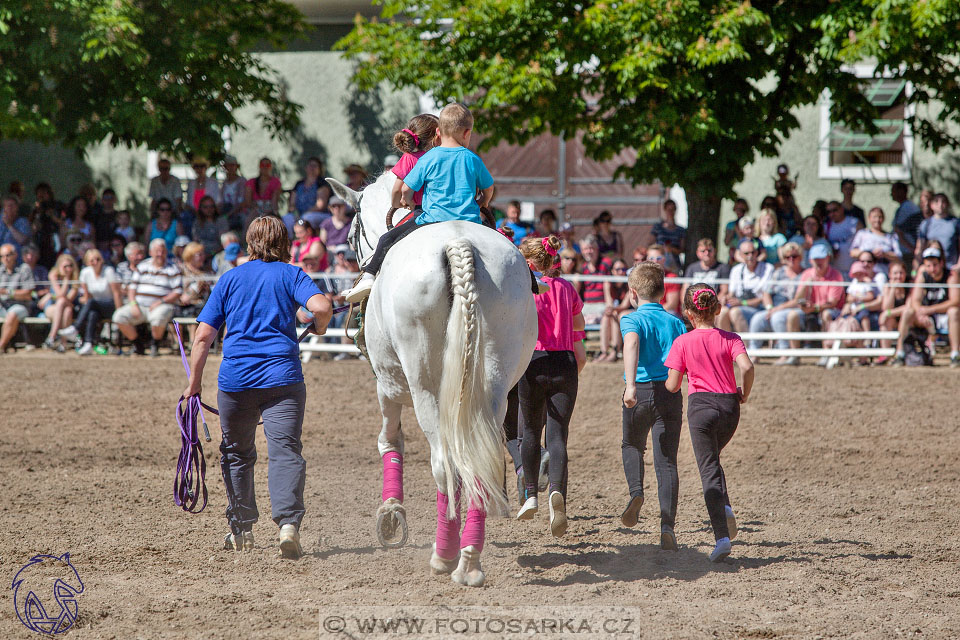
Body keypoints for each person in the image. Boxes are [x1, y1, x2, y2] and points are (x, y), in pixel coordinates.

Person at [183, 216, 333, 558]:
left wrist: (194, 385)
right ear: (285, 243)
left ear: (250, 242)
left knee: (236, 453)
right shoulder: (291, 274)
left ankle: (241, 531)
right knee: (286, 451)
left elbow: (204, 336)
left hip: (236, 382)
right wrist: (320, 327)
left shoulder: (230, 279)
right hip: (283, 379)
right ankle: (288, 526)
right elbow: (322, 307)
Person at [342, 103, 495, 302]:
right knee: (499, 241)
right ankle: (528, 275)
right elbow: (488, 189)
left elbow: (405, 189)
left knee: (386, 240)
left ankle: (369, 277)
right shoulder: (472, 158)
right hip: (469, 220)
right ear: (467, 133)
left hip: (431, 219)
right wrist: (483, 203)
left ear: (439, 132)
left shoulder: (428, 158)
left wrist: (408, 204)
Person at [664, 284, 754, 562]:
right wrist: (744, 394)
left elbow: (672, 384)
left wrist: (670, 379)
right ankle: (725, 507)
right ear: (717, 310)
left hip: (701, 407)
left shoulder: (682, 342)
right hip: (729, 407)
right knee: (713, 460)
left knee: (708, 471)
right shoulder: (731, 337)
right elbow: (747, 367)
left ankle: (721, 538)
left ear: (689, 314)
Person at [515, 236, 584, 539]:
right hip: (565, 363)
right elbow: (580, 326)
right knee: (557, 437)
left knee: (529, 431)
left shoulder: (523, 288)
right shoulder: (567, 288)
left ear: (529, 263)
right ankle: (557, 492)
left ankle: (530, 493)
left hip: (534, 361)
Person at [619, 261, 687, 550]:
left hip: (641, 391)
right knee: (667, 461)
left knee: (632, 445)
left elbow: (632, 344)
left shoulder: (631, 319)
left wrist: (631, 384)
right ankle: (667, 525)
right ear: (662, 293)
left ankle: (636, 491)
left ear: (633, 293)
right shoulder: (676, 322)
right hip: (670, 392)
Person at [112, 238, 182, 357]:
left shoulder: (173, 268)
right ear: (151, 252)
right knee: (118, 316)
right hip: (139, 305)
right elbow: (132, 289)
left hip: (162, 304)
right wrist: (133, 304)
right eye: (157, 251)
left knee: (158, 317)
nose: (160, 254)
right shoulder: (143, 266)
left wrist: (160, 301)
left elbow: (178, 291)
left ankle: (155, 344)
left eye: (162, 251)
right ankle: (138, 345)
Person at [893, 245, 960, 367]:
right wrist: (920, 312)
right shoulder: (923, 275)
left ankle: (955, 354)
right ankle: (900, 353)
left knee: (954, 311)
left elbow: (955, 301)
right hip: (926, 317)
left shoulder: (951, 275)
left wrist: (931, 310)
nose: (932, 269)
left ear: (941, 263)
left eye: (935, 264)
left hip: (944, 316)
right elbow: (915, 300)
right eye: (928, 265)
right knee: (908, 312)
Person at [783, 243, 845, 364]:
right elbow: (798, 299)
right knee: (792, 315)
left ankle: (826, 353)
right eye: (816, 259)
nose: (819, 262)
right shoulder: (807, 274)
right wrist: (806, 286)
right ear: (811, 260)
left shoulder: (836, 276)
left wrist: (814, 308)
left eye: (821, 258)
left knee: (826, 314)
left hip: (830, 311)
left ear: (828, 258)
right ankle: (794, 354)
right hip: (811, 310)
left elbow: (833, 303)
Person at [748, 243, 804, 362]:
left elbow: (798, 300)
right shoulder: (778, 273)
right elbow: (766, 292)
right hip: (775, 308)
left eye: (794, 256)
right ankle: (754, 353)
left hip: (795, 309)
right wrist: (769, 308)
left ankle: (784, 353)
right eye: (787, 257)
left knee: (778, 317)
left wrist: (775, 310)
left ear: (800, 257)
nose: (791, 259)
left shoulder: (804, 275)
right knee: (758, 318)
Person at [58, 249, 121, 355]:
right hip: (96, 306)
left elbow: (116, 293)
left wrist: (119, 311)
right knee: (92, 313)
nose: (95, 262)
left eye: (98, 259)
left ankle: (75, 328)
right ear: (87, 262)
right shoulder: (85, 273)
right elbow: (87, 296)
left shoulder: (108, 271)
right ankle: (88, 344)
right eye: (92, 260)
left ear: (102, 260)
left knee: (92, 303)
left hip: (111, 305)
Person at [385, 114, 440, 224]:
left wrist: (401, 203)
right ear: (436, 137)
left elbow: (397, 190)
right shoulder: (441, 157)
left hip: (421, 212)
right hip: (445, 210)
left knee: (386, 240)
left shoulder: (408, 158)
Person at [719, 238, 772, 332]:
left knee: (735, 312)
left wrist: (742, 303)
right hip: (739, 305)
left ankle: (744, 345)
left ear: (757, 253)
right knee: (722, 312)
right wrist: (726, 299)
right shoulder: (736, 270)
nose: (750, 256)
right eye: (746, 253)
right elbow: (731, 293)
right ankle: (726, 345)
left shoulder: (767, 268)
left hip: (760, 308)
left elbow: (764, 298)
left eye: (753, 252)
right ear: (740, 255)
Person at [0, 244, 35, 353]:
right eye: (2, 256)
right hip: (2, 305)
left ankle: (1, 346)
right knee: (10, 314)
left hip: (22, 305)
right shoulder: (0, 271)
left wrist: (7, 292)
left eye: (8, 255)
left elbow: (28, 293)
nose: (5, 258)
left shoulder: (24, 269)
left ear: (15, 255)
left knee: (12, 314)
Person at [41, 253, 80, 350]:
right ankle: (62, 342)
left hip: (66, 306)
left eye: (70, 266)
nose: (68, 269)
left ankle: (52, 337)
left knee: (66, 309)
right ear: (59, 266)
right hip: (51, 308)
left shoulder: (75, 279)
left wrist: (66, 279)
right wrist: (66, 279)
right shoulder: (53, 274)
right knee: (63, 306)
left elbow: (68, 298)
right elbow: (60, 294)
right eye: (65, 266)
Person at [596, 258, 631, 363]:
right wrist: (611, 309)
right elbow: (609, 302)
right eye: (618, 269)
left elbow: (625, 305)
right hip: (616, 310)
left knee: (615, 315)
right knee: (607, 316)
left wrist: (612, 309)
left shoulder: (629, 283)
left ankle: (615, 351)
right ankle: (604, 351)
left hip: (629, 310)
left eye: (624, 269)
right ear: (612, 271)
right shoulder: (608, 282)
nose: (621, 272)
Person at [850, 207, 901, 275]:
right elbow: (852, 252)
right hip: (863, 274)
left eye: (880, 217)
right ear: (869, 218)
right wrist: (869, 253)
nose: (877, 220)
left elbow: (899, 257)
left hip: (883, 273)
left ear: (883, 218)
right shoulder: (862, 234)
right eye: (874, 217)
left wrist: (885, 254)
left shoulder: (891, 237)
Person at [916, 193, 959, 268]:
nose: (940, 204)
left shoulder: (955, 223)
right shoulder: (926, 224)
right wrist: (916, 268)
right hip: (931, 269)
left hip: (951, 267)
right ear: (931, 205)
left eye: (943, 202)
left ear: (948, 204)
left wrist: (958, 266)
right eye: (936, 201)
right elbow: (919, 248)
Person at [878, 259, 910, 361]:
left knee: (904, 315)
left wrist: (888, 313)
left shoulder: (910, 285)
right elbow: (886, 307)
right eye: (895, 273)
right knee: (886, 321)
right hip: (894, 319)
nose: (898, 276)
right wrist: (893, 289)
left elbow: (908, 307)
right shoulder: (887, 286)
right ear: (890, 275)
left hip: (908, 319)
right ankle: (885, 354)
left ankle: (899, 352)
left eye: (901, 273)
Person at [682, 238, 730, 305]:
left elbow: (724, 290)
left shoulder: (723, 267)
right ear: (697, 253)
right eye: (703, 251)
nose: (706, 253)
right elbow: (685, 290)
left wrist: (711, 305)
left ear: (715, 251)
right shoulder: (691, 268)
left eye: (709, 250)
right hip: (694, 305)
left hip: (714, 305)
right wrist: (689, 305)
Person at [578, 235, 612, 328]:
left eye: (591, 248)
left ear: (597, 249)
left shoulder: (605, 263)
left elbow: (608, 285)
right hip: (587, 305)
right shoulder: (583, 267)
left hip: (602, 304)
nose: (588, 251)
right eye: (585, 249)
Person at [824, 200, 862, 275]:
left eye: (835, 210)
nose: (832, 214)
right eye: (829, 212)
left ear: (841, 209)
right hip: (834, 272)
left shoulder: (854, 222)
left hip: (853, 270)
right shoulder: (826, 227)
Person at [184, 158, 221, 234]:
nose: (199, 169)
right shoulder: (191, 183)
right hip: (193, 213)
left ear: (206, 168)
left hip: (210, 212)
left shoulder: (213, 182)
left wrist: (208, 210)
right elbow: (188, 202)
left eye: (202, 166)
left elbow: (218, 201)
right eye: (196, 166)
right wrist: (196, 213)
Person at [243, 157, 282, 227]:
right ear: (259, 167)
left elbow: (274, 202)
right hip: (254, 209)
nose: (265, 167)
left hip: (269, 209)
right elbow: (248, 202)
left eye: (267, 165)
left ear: (271, 167)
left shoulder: (275, 182)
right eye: (262, 165)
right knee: (249, 220)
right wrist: (257, 208)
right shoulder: (251, 182)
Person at [891, 182, 923, 268]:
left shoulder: (908, 208)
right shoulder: (904, 207)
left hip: (908, 252)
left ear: (901, 191)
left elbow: (899, 231)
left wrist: (912, 249)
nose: (891, 194)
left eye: (893, 191)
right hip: (904, 251)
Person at [648, 199, 686, 267]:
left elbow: (682, 249)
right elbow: (650, 245)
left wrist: (671, 249)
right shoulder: (657, 227)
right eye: (669, 209)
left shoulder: (681, 230)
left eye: (673, 209)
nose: (671, 212)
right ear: (665, 210)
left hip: (674, 264)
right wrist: (661, 249)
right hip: (658, 263)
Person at [646, 245, 681, 316]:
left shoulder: (671, 278)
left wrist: (653, 312)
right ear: (647, 260)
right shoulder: (644, 277)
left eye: (659, 258)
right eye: (651, 258)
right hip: (648, 312)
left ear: (664, 259)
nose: (655, 261)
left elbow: (672, 304)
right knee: (624, 315)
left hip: (666, 313)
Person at [220, 155, 247, 222]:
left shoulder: (242, 181)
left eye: (233, 165)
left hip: (238, 212)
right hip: (226, 211)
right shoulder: (224, 183)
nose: (230, 168)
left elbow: (242, 202)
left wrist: (229, 215)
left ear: (236, 167)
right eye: (228, 166)